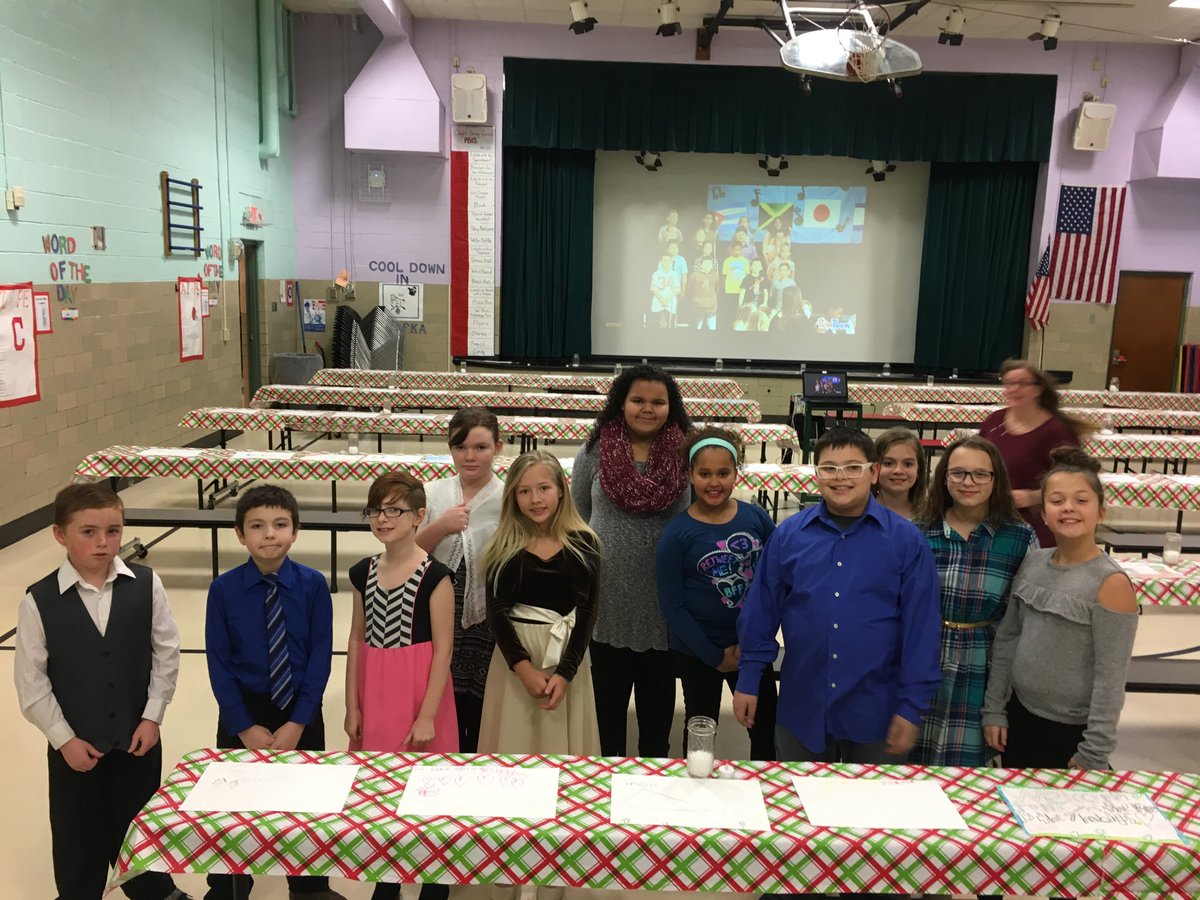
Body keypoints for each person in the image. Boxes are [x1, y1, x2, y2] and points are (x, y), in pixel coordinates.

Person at [15, 484, 189, 900]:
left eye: (113, 531)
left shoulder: (147, 584)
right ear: (60, 534)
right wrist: (64, 740)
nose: (103, 542)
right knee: (77, 833)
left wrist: (153, 716)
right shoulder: (39, 600)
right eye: (88, 532)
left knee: (140, 824)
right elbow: (31, 682)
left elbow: (167, 652)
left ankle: (154, 890)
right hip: (74, 745)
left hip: (137, 739)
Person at [733, 426, 941, 767]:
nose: (840, 477)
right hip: (803, 701)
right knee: (795, 803)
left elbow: (921, 628)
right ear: (816, 475)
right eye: (829, 468)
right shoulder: (789, 535)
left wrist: (912, 704)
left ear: (873, 472)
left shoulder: (906, 541)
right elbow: (761, 611)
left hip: (878, 708)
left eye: (852, 467)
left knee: (874, 809)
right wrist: (749, 678)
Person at [204, 485, 345, 900]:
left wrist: (299, 720)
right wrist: (242, 724)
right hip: (243, 711)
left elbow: (321, 654)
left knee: (304, 802)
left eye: (280, 525)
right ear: (239, 534)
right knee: (234, 805)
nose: (269, 534)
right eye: (258, 526)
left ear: (296, 531)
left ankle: (309, 885)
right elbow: (219, 662)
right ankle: (229, 882)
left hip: (299, 710)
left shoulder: (313, 585)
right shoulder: (224, 590)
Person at [478, 452, 601, 900]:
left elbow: (587, 613)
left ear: (562, 490)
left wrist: (564, 673)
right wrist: (523, 667)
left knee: (560, 765)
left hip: (567, 662)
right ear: (513, 496)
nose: (535, 499)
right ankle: (511, 866)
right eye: (524, 491)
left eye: (543, 488)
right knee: (515, 757)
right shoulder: (503, 543)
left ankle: (559, 867)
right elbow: (495, 611)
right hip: (516, 665)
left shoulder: (585, 542)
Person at [982, 447, 1138, 771]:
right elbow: (1008, 639)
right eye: (1057, 501)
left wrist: (1094, 750)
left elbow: (1110, 678)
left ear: (1101, 512)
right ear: (1043, 513)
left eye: (1081, 500)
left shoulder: (1111, 584)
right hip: (1019, 717)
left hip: (1071, 733)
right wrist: (995, 708)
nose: (1068, 508)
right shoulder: (1033, 562)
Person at [345, 472, 456, 900]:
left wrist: (428, 714)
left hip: (421, 693)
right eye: (376, 510)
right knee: (380, 794)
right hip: (376, 692)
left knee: (428, 795)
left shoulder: (435, 576)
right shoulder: (362, 572)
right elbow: (356, 639)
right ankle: (385, 884)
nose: (383, 518)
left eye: (395, 510)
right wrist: (353, 705)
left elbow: (443, 650)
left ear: (419, 516)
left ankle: (433, 884)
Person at [573, 365, 692, 758]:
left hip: (664, 605)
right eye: (638, 400)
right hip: (606, 602)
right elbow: (578, 517)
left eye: (658, 402)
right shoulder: (593, 452)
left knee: (657, 726)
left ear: (670, 406)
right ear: (621, 403)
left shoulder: (686, 453)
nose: (647, 408)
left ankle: (652, 799)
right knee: (606, 721)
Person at [911, 436, 1037, 767]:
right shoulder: (918, 532)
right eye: (958, 473)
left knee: (969, 768)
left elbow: (1022, 621)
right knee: (911, 762)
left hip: (985, 663)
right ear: (943, 477)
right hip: (922, 656)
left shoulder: (1019, 538)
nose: (969, 483)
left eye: (981, 474)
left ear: (997, 480)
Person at [656, 427, 777, 759]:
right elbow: (672, 604)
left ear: (737, 472)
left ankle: (765, 790)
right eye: (704, 473)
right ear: (690, 474)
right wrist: (713, 655)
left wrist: (753, 644)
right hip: (698, 652)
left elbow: (776, 579)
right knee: (700, 727)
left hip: (752, 650)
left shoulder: (757, 519)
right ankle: (696, 785)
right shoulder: (678, 533)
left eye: (723, 473)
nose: (714, 482)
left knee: (764, 723)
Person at [417, 407, 504, 753]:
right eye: (460, 446)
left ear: (498, 447)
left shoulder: (510, 494)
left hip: (491, 617)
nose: (470, 456)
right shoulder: (431, 493)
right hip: (439, 616)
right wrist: (440, 526)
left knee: (482, 704)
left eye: (481, 447)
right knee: (445, 696)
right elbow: (406, 554)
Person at [979, 359, 1083, 547]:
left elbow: (1077, 480)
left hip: (1037, 525)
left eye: (1022, 384)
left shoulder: (1057, 431)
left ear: (1038, 389)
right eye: (1009, 383)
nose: (1014, 389)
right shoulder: (994, 420)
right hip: (991, 517)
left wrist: (1033, 497)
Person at [872, 427, 927, 519]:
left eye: (908, 464)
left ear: (919, 470)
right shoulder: (860, 512)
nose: (898, 471)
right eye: (888, 463)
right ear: (874, 469)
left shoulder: (930, 516)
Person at [689, 245, 719, 331]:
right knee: (698, 327)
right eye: (706, 263)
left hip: (712, 305)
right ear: (701, 264)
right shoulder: (695, 275)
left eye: (710, 263)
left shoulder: (715, 275)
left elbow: (717, 289)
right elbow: (690, 289)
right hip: (698, 305)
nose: (708, 265)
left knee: (712, 328)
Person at [649, 254, 680, 328]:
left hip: (670, 303)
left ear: (671, 261)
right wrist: (662, 300)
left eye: (668, 260)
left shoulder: (675, 275)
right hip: (657, 303)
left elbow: (676, 290)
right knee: (656, 325)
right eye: (664, 260)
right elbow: (654, 289)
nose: (666, 262)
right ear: (661, 261)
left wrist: (667, 300)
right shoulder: (656, 274)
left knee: (670, 325)